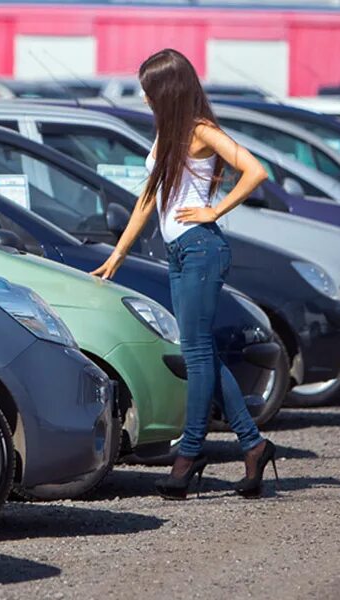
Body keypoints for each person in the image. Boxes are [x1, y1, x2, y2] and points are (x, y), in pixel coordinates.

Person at [91, 48, 277, 500]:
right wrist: (117, 254)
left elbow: (256, 171)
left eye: (150, 91)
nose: (146, 99)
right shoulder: (167, 135)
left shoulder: (201, 131)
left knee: (196, 357)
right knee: (203, 355)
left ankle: (189, 453)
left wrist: (215, 208)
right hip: (179, 253)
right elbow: (146, 200)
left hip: (201, 249)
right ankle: (254, 446)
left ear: (168, 91)